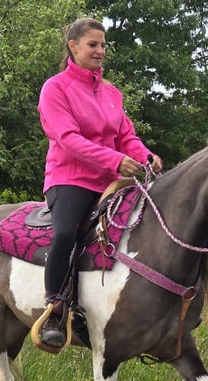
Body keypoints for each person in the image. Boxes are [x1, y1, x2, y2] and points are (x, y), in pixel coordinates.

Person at [37, 17, 162, 348]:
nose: (100, 50)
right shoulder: (55, 88)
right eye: (93, 44)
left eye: (103, 45)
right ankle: (55, 309)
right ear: (73, 46)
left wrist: (146, 156)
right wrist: (115, 161)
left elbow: (126, 137)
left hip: (111, 182)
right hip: (70, 179)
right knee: (66, 233)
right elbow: (67, 139)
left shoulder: (111, 93)